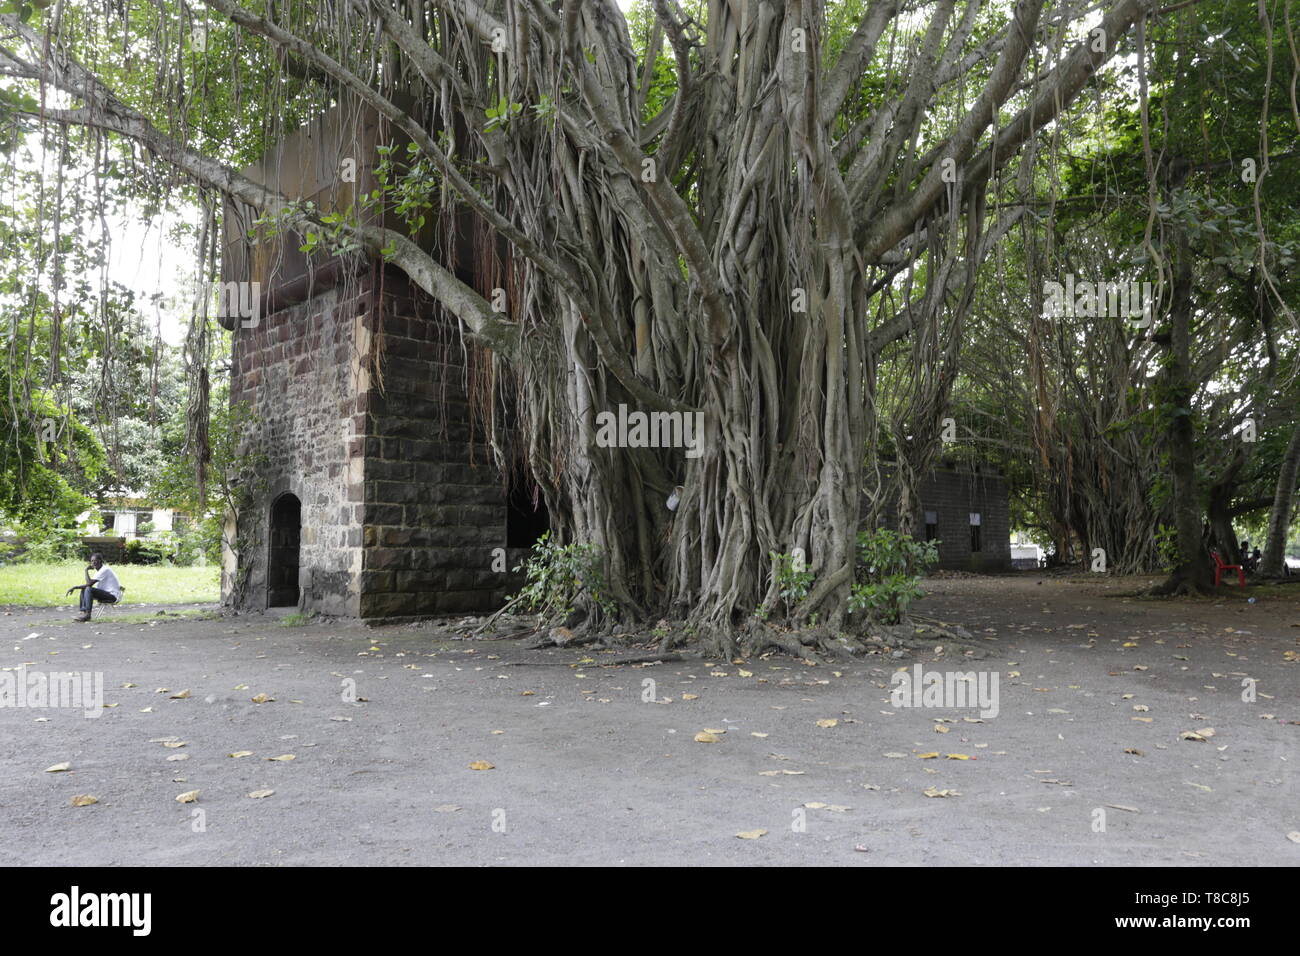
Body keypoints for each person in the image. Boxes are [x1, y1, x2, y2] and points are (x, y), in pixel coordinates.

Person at [66, 553, 122, 622]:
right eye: (91, 561)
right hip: (105, 594)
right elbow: (88, 584)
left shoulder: (105, 570)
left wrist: (86, 570)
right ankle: (84, 613)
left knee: (88, 589)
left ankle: (87, 615)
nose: (93, 563)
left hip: (112, 596)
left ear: (100, 561)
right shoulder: (98, 572)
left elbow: (89, 584)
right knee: (85, 589)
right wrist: (75, 587)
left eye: (95, 560)